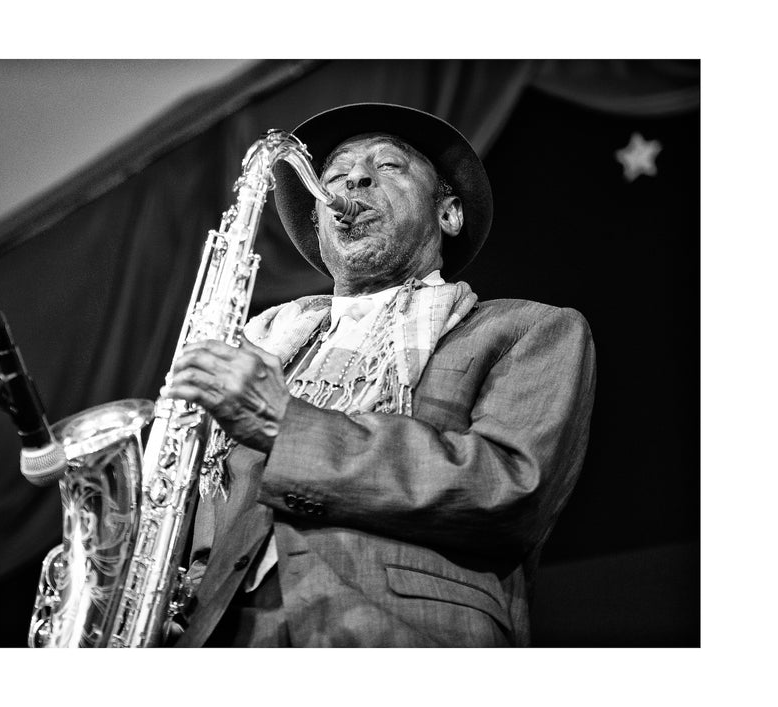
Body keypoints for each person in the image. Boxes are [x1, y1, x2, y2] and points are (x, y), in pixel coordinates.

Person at [164, 103, 596, 647]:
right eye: (335, 175)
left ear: (450, 213)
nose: (355, 178)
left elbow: (510, 491)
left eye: (388, 166)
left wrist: (286, 427)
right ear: (321, 228)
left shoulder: (528, 329)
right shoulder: (265, 351)